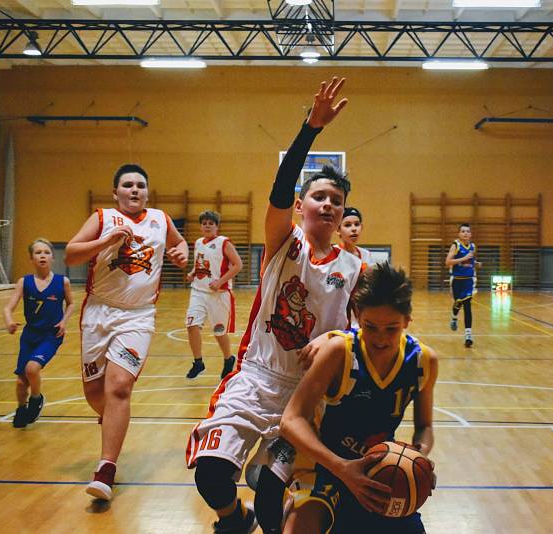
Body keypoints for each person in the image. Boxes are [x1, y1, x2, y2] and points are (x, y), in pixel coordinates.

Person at [186, 77, 363, 534]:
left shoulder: (355, 267)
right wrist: (311, 129)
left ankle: (268, 518)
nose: (328, 204)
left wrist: (338, 336)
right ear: (302, 206)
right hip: (255, 377)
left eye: (337, 201)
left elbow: (368, 337)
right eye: (319, 197)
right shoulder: (283, 242)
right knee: (210, 476)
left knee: (269, 490)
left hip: (305, 394)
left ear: (343, 214)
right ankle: (232, 518)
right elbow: (279, 190)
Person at [280, 262, 438, 534]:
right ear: (356, 316)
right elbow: (291, 420)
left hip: (377, 469)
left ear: (407, 321)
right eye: (370, 326)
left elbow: (424, 426)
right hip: (322, 465)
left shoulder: (423, 360)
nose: (380, 338)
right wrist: (342, 468)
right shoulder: (339, 352)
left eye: (392, 328)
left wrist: (417, 457)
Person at [66, 164, 188, 501]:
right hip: (99, 312)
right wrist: (105, 241)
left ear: (147, 192)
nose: (134, 190)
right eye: (127, 185)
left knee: (119, 387)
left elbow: (182, 246)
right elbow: (73, 253)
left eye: (140, 185)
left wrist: (182, 253)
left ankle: (106, 468)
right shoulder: (102, 217)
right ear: (116, 192)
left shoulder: (161, 220)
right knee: (95, 393)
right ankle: (112, 421)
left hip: (138, 316)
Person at [3, 238, 74, 428]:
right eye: (38, 252)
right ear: (31, 258)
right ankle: (21, 408)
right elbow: (8, 308)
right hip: (29, 335)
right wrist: (9, 321)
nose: (42, 255)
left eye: (46, 252)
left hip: (51, 335)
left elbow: (71, 303)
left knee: (32, 369)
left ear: (52, 257)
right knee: (20, 382)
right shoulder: (24, 282)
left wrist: (64, 321)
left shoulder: (62, 282)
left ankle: (36, 399)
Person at [184, 210, 243, 380]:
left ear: (216, 226)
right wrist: (192, 272)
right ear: (201, 226)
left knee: (219, 332)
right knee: (192, 325)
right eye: (204, 223)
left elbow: (238, 265)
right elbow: (200, 263)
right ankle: (198, 362)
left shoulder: (223, 243)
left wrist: (219, 281)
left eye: (211, 223)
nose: (207, 226)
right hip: (198, 291)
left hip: (219, 294)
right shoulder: (198, 243)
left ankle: (228, 358)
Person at [336, 206, 372, 328]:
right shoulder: (334, 254)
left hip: (360, 308)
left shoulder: (366, 255)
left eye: (356, 224)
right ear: (338, 230)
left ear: (361, 227)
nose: (353, 229)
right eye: (347, 225)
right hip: (340, 310)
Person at [445, 223, 478, 347]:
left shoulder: (473, 246)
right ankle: (454, 317)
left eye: (467, 231)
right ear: (459, 234)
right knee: (457, 303)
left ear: (471, 234)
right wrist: (463, 258)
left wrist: (476, 263)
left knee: (467, 305)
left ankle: (468, 335)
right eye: (463, 231)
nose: (465, 233)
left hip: (468, 280)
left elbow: (470, 262)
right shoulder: (455, 246)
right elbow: (448, 262)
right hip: (457, 280)